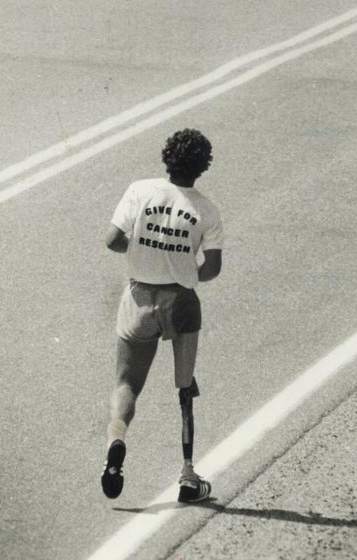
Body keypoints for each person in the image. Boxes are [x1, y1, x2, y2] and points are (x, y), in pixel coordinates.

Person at [102, 127, 223, 503]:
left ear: (166, 157)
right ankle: (188, 475)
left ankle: (117, 440)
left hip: (138, 299)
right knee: (185, 388)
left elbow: (113, 240)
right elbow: (212, 268)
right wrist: (183, 273)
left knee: (126, 384)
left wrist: (143, 255)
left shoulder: (140, 190)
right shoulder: (206, 209)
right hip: (181, 304)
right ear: (202, 166)